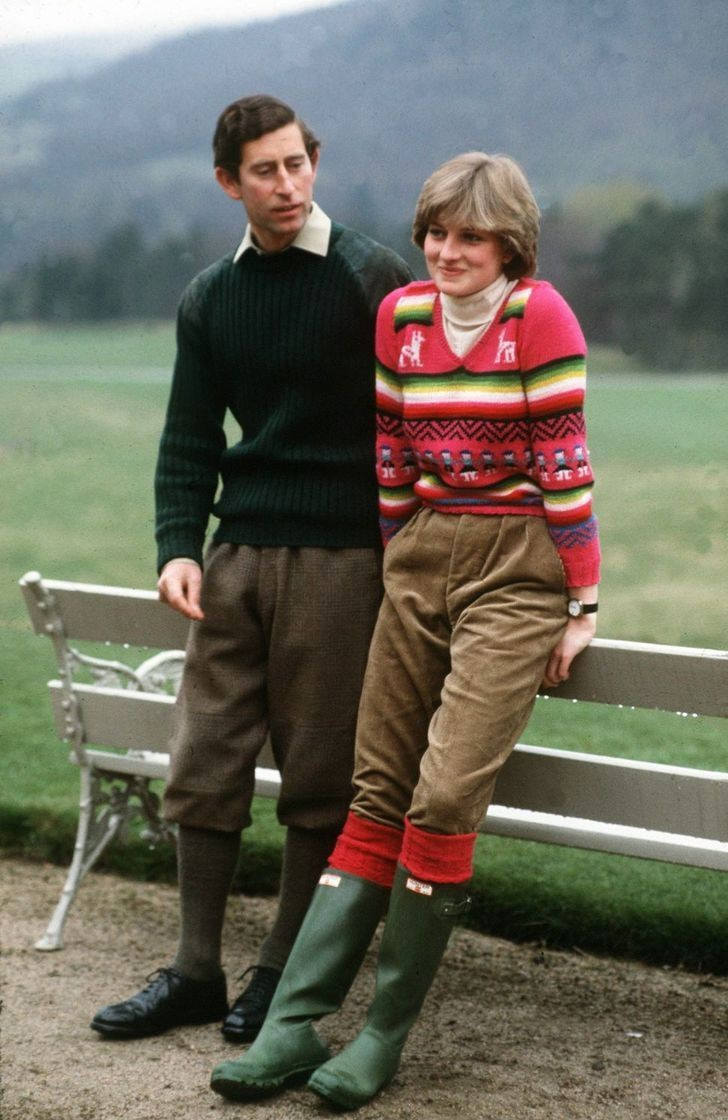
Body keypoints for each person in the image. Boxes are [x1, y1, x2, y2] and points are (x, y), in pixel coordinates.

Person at [209, 150, 601, 1108]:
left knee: (444, 794)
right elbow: (390, 452)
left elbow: (564, 462)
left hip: (517, 567)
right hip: (420, 554)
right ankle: (295, 1024)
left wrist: (582, 601)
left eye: (470, 236)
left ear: (510, 243)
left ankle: (380, 1034)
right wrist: (400, 561)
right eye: (436, 231)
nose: (446, 250)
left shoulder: (537, 315)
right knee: (376, 785)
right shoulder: (401, 317)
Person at [90, 94, 412, 1044]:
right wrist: (177, 547)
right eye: (264, 171)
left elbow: (414, 421)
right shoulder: (210, 296)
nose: (287, 184)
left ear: (315, 161)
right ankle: (195, 971)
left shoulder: (370, 277)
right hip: (233, 560)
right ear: (228, 183)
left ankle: (280, 973)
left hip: (343, 562)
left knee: (320, 771)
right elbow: (189, 435)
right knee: (204, 758)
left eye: (297, 164)